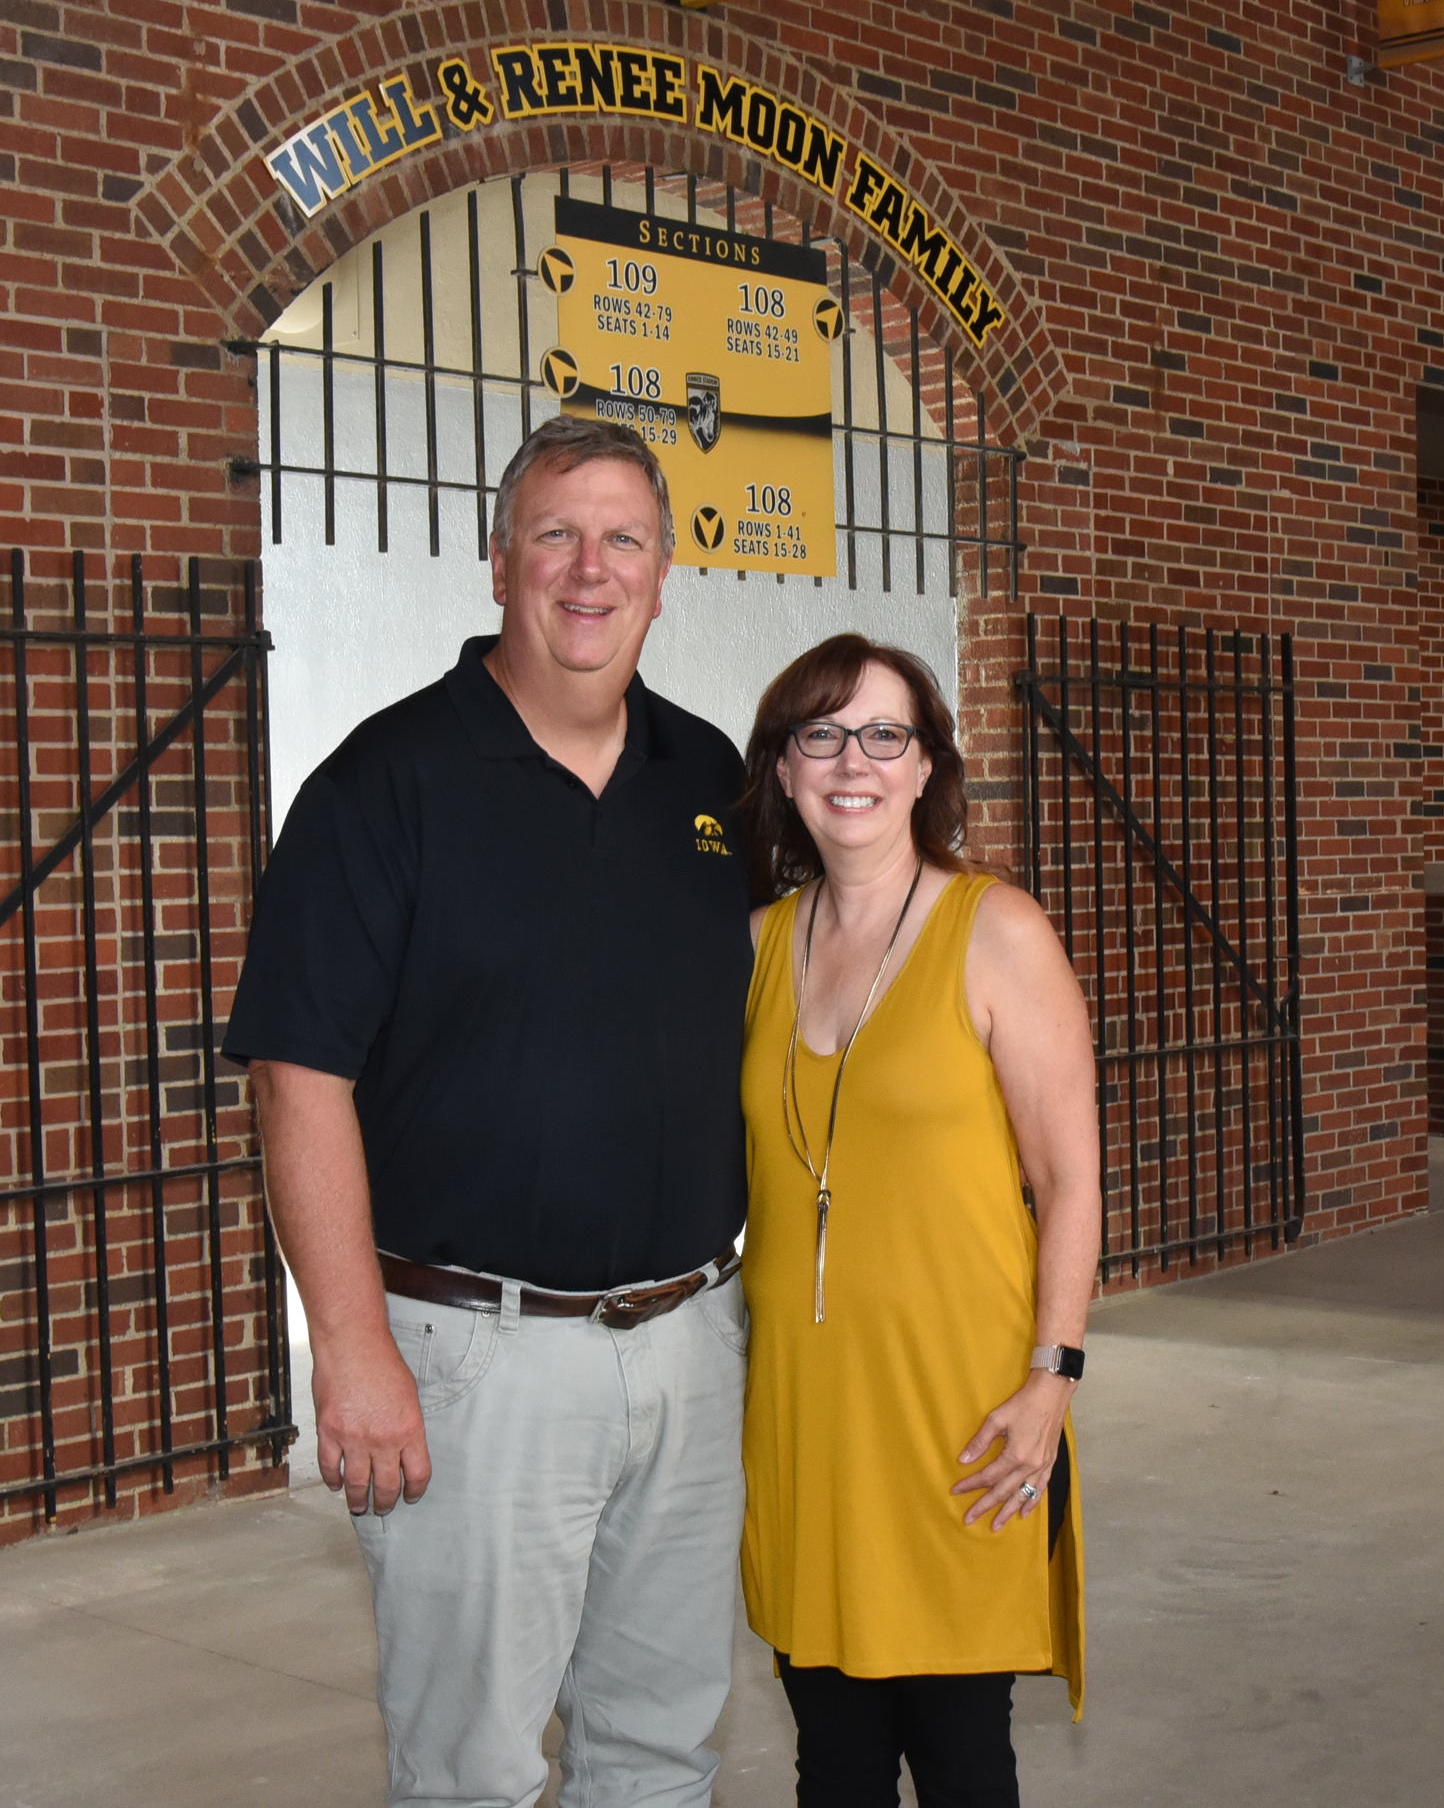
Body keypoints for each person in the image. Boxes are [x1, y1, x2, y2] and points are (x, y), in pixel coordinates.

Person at [223, 416, 754, 1808]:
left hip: (694, 1347)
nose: (591, 570)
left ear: (663, 568)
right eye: (557, 535)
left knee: (661, 1750)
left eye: (623, 538)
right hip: (476, 1360)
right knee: (471, 1772)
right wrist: (350, 1352)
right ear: (498, 558)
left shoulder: (710, 785)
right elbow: (298, 1077)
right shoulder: (381, 786)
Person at [736, 634, 1100, 1808]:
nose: (855, 761)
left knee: (959, 1755)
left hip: (963, 1416)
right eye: (822, 735)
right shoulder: (755, 946)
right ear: (784, 770)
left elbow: (1071, 1181)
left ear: (929, 765)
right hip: (806, 1413)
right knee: (831, 1758)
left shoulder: (997, 931)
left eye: (886, 734)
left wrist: (1052, 1377)